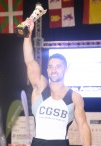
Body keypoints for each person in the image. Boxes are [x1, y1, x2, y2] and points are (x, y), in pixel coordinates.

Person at [22, 18, 92, 146]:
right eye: (50, 66)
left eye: (58, 66)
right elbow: (30, 61)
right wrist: (28, 35)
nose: (53, 70)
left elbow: (83, 126)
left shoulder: (75, 97)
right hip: (38, 143)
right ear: (47, 69)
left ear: (66, 70)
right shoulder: (40, 87)